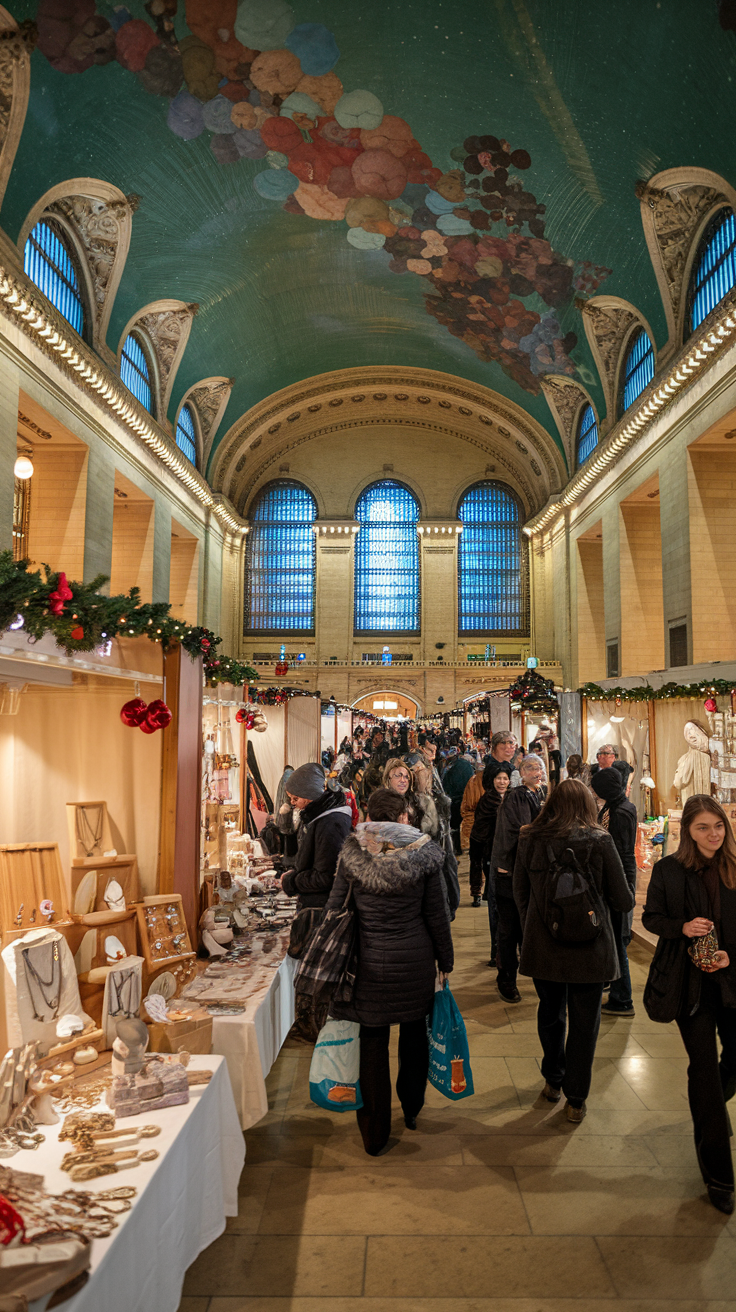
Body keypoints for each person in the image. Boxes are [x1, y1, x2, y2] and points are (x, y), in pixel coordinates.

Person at [324, 788, 454, 1156]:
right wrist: (446, 959)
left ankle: (374, 1132)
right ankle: (411, 1108)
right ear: (401, 817)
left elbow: (335, 907)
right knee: (414, 1035)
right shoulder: (425, 854)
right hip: (414, 960)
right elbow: (436, 915)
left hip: (367, 961)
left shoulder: (352, 853)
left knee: (373, 1042)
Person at [513, 779, 633, 1123]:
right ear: (587, 805)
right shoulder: (600, 840)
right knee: (585, 1022)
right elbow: (623, 900)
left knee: (550, 1014)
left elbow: (519, 892)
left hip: (544, 947)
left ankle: (554, 1079)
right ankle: (576, 1098)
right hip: (591, 949)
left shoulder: (529, 838)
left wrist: (533, 927)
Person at [642, 794, 736, 1214]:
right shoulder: (669, 870)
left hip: (731, 980)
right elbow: (651, 919)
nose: (712, 834)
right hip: (689, 985)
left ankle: (710, 1104)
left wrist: (730, 954)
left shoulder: (734, 868)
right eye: (703, 827)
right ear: (688, 832)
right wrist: (681, 926)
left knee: (724, 1068)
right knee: (702, 1066)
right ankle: (719, 1173)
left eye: (718, 826)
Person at [277, 763, 353, 1037]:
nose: (291, 801)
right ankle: (310, 1025)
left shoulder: (330, 822)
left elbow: (326, 877)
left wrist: (291, 881)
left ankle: (314, 1028)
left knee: (317, 972)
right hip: (317, 906)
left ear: (309, 794)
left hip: (321, 910)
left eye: (294, 796)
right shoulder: (320, 817)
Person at [490, 754, 546, 1002]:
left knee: (526, 928)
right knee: (509, 929)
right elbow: (523, 831)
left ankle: (529, 972)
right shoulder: (517, 796)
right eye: (531, 768)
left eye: (540, 767)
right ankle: (506, 979)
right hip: (511, 873)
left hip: (527, 874)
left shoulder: (538, 794)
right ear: (521, 773)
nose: (537, 771)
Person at [383, 758, 461, 916]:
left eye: (406, 776)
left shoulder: (420, 803)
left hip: (419, 870)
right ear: (388, 779)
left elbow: (432, 837)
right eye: (397, 776)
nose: (402, 780)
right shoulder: (380, 805)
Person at [591, 768, 638, 1015]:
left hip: (618, 879)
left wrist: (621, 885)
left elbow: (620, 853)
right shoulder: (617, 805)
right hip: (617, 877)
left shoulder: (620, 811)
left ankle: (622, 998)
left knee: (618, 939)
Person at [469, 769, 511, 952]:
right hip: (490, 853)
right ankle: (497, 948)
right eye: (498, 778)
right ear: (492, 780)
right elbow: (480, 828)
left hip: (509, 855)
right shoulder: (487, 800)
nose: (502, 782)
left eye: (505, 778)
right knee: (496, 903)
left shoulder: (513, 798)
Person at [441, 749, 475, 855]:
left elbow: (445, 785)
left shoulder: (450, 768)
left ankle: (457, 848)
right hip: (467, 798)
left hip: (455, 799)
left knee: (454, 826)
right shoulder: (465, 764)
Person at [460, 763, 486, 898]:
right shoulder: (487, 783)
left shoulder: (472, 782)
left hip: (474, 828)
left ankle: (476, 891)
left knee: (476, 862)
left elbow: (465, 808)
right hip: (483, 828)